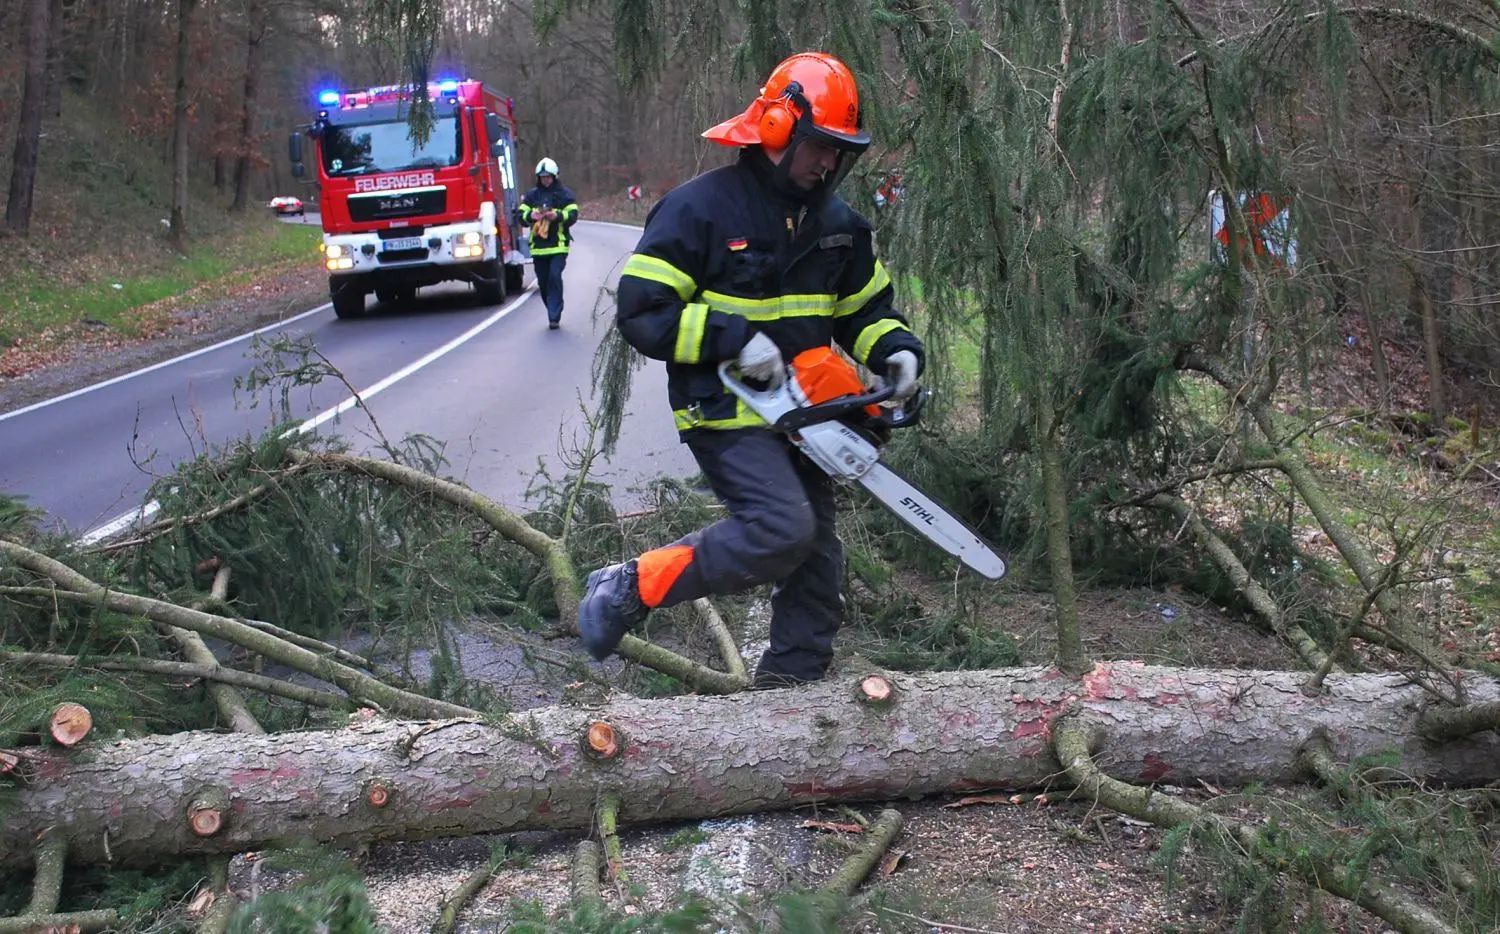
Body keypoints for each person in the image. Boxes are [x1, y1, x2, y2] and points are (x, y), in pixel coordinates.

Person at [576, 52, 926, 688]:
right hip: (725, 409)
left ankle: (791, 698)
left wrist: (896, 352)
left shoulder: (840, 226)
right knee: (779, 529)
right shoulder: (699, 211)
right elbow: (643, 312)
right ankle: (631, 585)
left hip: (809, 417)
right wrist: (731, 339)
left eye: (839, 151)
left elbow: (865, 311)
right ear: (776, 129)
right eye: (820, 146)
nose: (828, 163)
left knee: (816, 560)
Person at [519, 158, 579, 329]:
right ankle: (551, 308)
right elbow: (521, 216)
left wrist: (558, 216)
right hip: (538, 248)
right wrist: (530, 216)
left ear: (555, 177)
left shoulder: (564, 194)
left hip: (558, 245)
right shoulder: (531, 196)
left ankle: (554, 315)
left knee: (554, 277)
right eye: (542, 177)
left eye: (548, 177)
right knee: (543, 283)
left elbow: (573, 215)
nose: (545, 180)